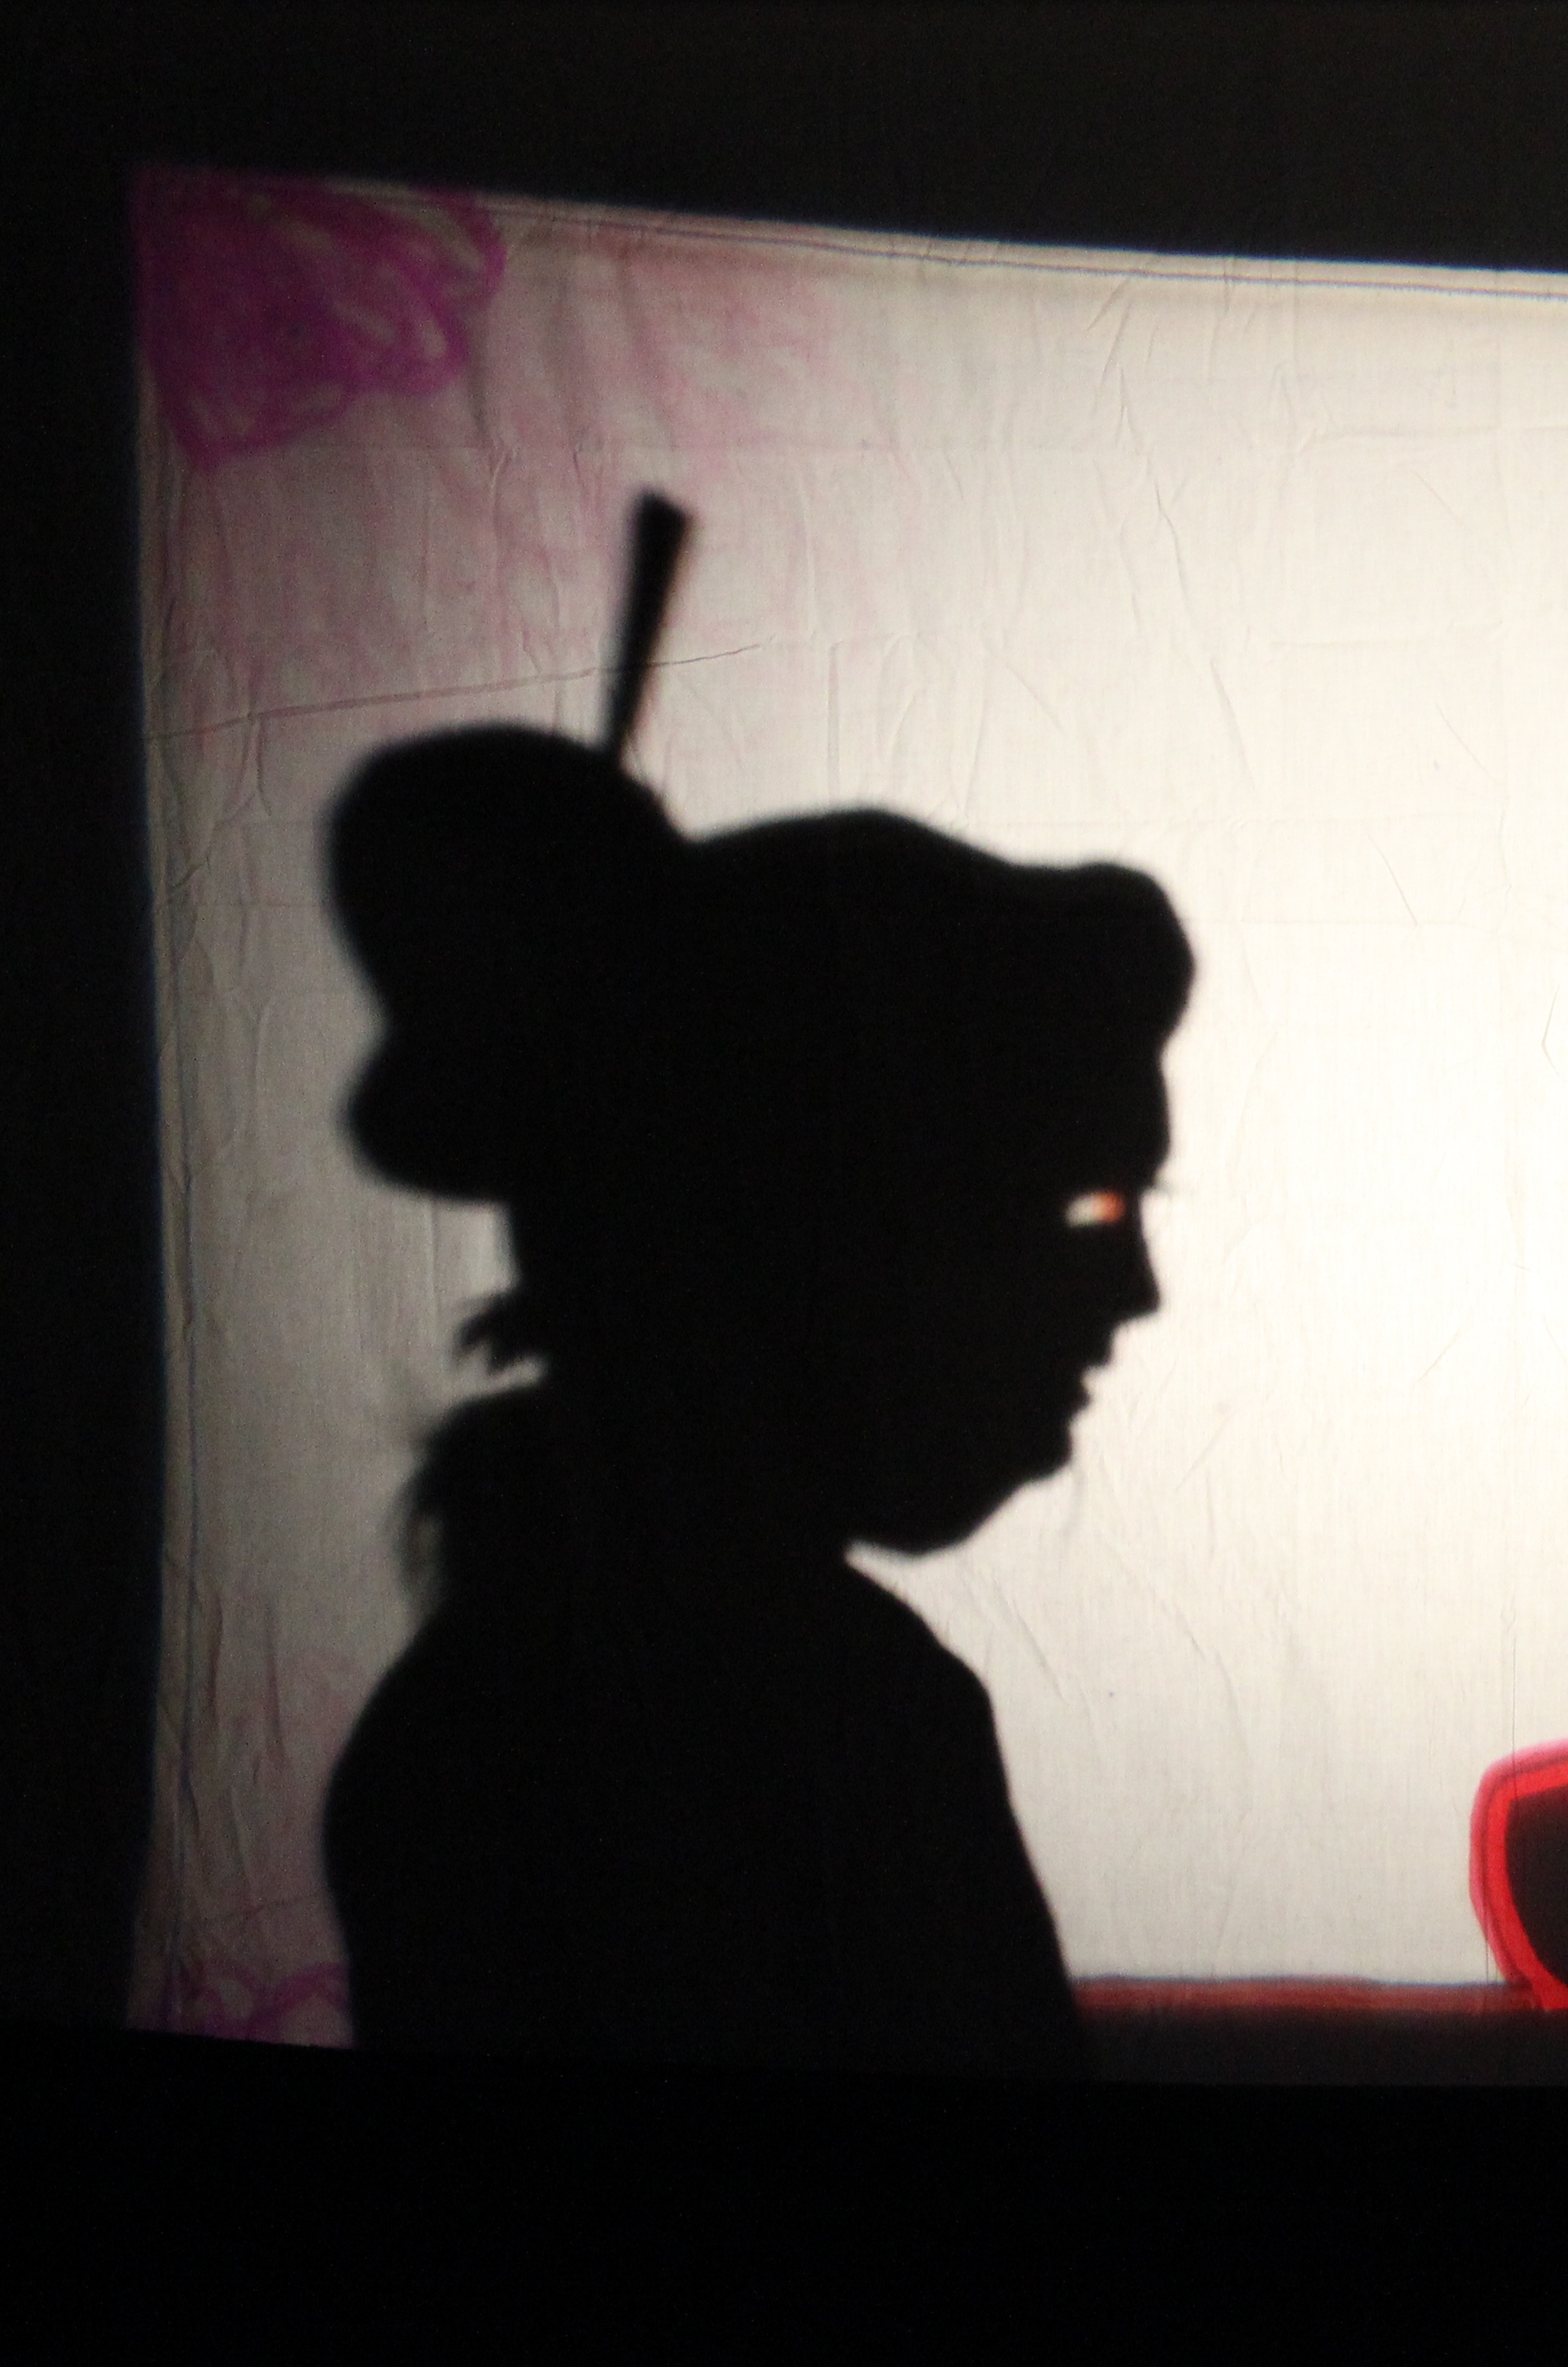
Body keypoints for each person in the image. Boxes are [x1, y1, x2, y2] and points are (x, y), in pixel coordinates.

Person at [319, 712, 1191, 2076]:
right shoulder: (828, 1734)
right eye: (1084, 1205)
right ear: (813, 1224)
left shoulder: (480, 1727)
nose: (1138, 1294)